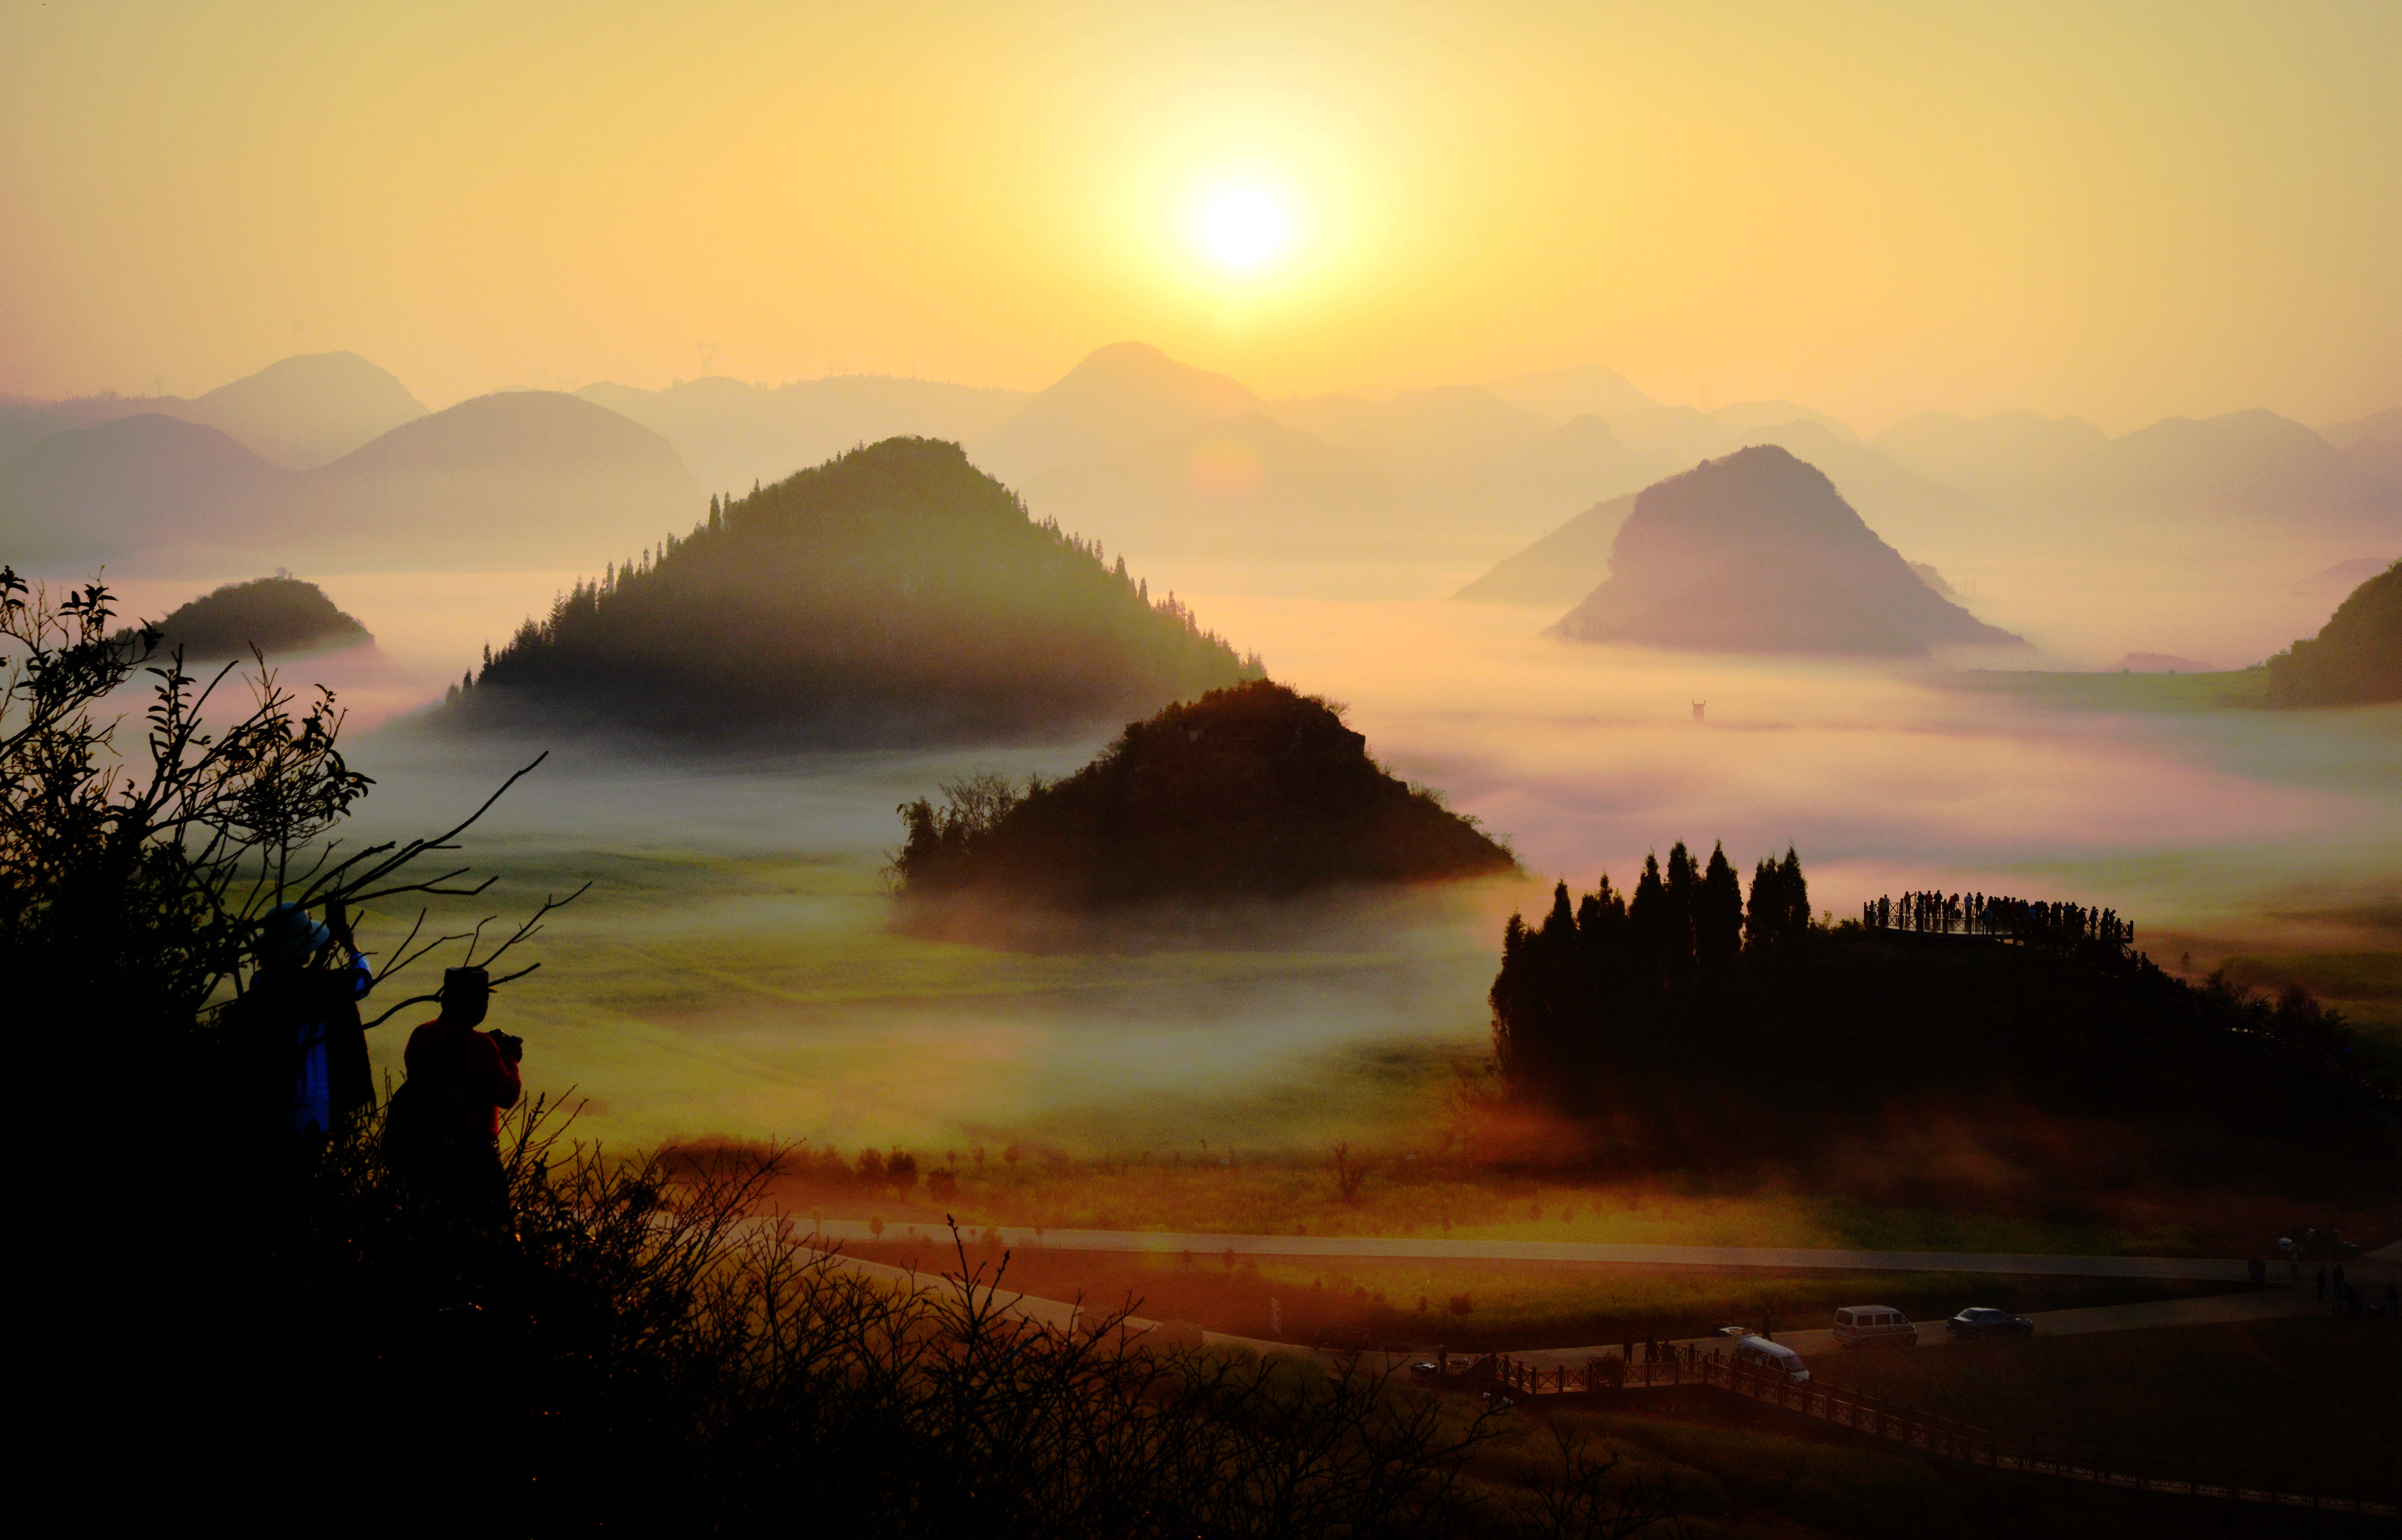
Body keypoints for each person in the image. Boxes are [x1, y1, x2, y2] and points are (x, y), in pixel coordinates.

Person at [388, 967, 523, 1210]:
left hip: (423, 1151)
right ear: (476, 1003)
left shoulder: (421, 1034)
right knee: (487, 1225)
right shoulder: (480, 1044)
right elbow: (508, 1095)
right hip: (471, 1155)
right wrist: (510, 1058)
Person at [239, 901, 375, 1140]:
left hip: (268, 1103)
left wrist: (319, 960)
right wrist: (352, 947)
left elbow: (294, 985)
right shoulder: (322, 987)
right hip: (312, 1107)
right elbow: (362, 982)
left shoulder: (261, 984)